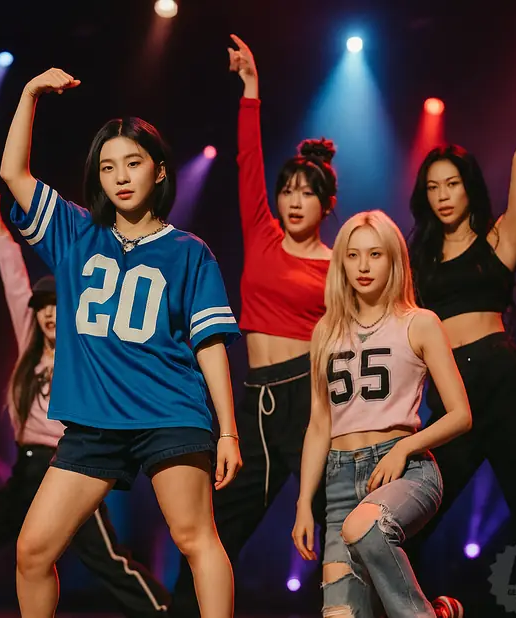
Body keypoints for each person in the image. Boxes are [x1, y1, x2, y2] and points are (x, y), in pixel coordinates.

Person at [0, 68, 242, 618]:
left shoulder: (189, 251)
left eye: (133, 163)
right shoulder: (75, 232)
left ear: (158, 171)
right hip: (94, 425)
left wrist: (227, 430)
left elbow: (209, 346)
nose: (120, 177)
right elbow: (12, 172)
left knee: (195, 538)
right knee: (32, 550)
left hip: (170, 414)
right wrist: (29, 95)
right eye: (107, 167)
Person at [171, 34, 333, 616]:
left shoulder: (341, 265)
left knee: (343, 532)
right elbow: (246, 163)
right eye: (287, 191)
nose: (293, 202)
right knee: (217, 530)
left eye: (306, 195)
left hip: (316, 402)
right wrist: (251, 91)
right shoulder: (263, 235)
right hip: (258, 402)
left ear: (325, 205)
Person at [405, 66, 516, 613]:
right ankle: (422, 607)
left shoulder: (499, 238)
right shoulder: (420, 260)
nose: (442, 196)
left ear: (468, 186)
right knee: (410, 516)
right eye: (432, 187)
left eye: (451, 183)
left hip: (505, 382)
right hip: (451, 396)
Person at [0, 190, 170, 617]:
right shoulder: (30, 347)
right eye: (41, 309)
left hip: (68, 467)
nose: (48, 315)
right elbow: (14, 281)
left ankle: (165, 613)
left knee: (108, 560)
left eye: (56, 306)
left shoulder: (83, 346)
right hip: (26, 471)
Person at [291, 210, 473, 618]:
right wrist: (304, 502)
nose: (363, 266)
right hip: (338, 485)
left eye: (375, 254)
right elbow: (319, 423)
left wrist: (405, 447)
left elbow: (461, 414)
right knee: (339, 614)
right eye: (353, 256)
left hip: (403, 469)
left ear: (394, 260)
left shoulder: (420, 323)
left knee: (366, 528)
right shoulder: (326, 331)